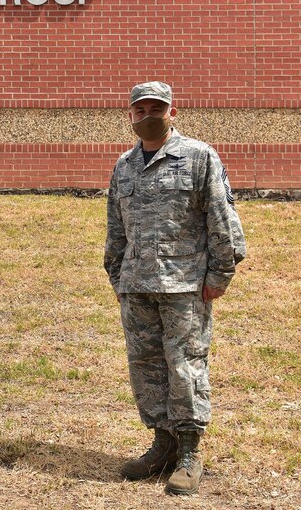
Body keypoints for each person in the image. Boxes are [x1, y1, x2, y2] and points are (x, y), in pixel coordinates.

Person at [104, 81, 246, 495]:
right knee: (146, 368)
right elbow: (116, 229)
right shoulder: (124, 165)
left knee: (185, 365)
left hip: (185, 286)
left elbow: (222, 219)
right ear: (130, 115)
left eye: (157, 108)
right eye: (140, 108)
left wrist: (220, 275)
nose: (148, 115)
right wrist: (118, 276)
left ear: (173, 112)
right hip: (137, 286)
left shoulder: (199, 156)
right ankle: (161, 444)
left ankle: (188, 451)